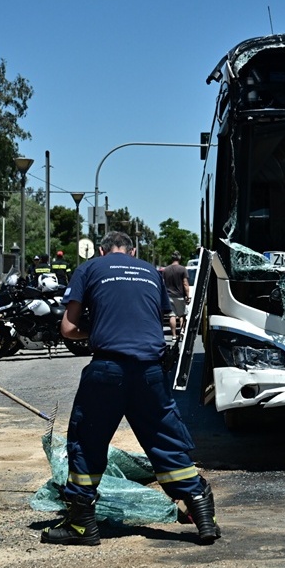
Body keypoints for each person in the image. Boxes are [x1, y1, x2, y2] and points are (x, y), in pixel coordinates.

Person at [43, 231, 220, 546]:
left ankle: (82, 525)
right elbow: (155, 319)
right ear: (133, 250)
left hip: (107, 370)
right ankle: (203, 515)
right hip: (150, 371)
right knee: (164, 441)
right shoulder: (151, 271)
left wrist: (95, 329)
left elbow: (68, 330)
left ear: (102, 250)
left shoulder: (90, 268)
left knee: (87, 440)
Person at [161, 251, 190, 340]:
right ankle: (182, 331)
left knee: (172, 315)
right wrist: (188, 296)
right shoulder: (182, 269)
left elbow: (163, 283)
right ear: (179, 258)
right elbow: (185, 284)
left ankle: (174, 335)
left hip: (169, 295)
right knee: (182, 315)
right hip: (180, 295)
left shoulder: (166, 270)